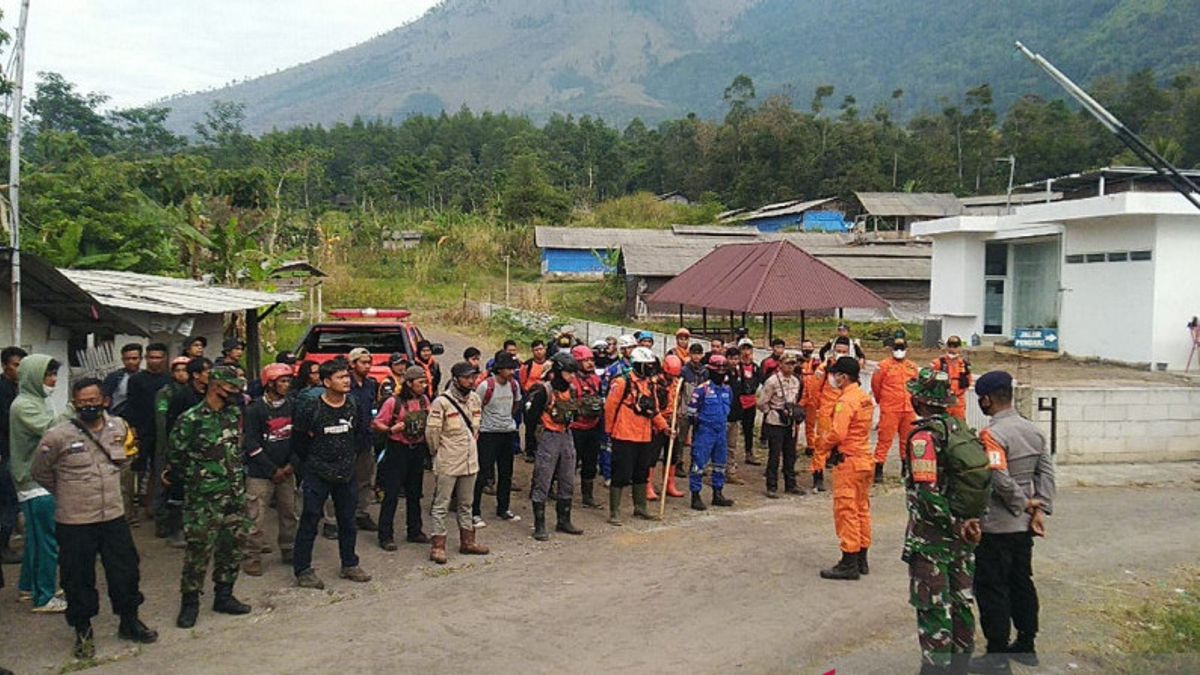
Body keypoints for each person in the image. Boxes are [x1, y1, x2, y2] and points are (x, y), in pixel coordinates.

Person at [31, 378, 158, 658]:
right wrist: (68, 492)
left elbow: (125, 460)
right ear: (75, 404)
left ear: (105, 401)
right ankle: (83, 631)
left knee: (125, 572)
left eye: (93, 401)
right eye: (82, 402)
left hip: (113, 515)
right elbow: (39, 472)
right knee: (77, 579)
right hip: (75, 520)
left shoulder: (118, 427)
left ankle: (129, 621)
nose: (89, 406)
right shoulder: (57, 436)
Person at [971, 371, 1056, 672]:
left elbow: (998, 477)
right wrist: (1038, 510)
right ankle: (1026, 643)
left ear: (987, 399)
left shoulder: (991, 435)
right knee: (1022, 583)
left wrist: (1022, 504)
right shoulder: (1033, 430)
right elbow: (1045, 473)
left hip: (997, 526)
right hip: (1023, 529)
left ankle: (996, 657)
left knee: (992, 588)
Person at [903, 369, 982, 674]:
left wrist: (951, 522)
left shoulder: (923, 438)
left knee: (934, 606)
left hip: (933, 540)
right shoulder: (960, 429)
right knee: (962, 602)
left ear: (918, 400)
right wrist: (967, 522)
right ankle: (961, 664)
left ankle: (936, 668)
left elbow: (927, 493)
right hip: (965, 537)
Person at [164, 366, 253, 628]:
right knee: (198, 551)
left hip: (234, 493)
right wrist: (197, 478)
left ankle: (224, 595)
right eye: (232, 389)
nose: (236, 394)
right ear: (216, 386)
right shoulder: (190, 419)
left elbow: (237, 448)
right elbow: (176, 458)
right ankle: (190, 602)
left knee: (232, 546)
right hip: (204, 498)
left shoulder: (233, 413)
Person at [291, 360, 372, 589]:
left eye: (347, 376)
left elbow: (356, 434)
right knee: (309, 520)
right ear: (327, 382)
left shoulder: (353, 404)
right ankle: (303, 569)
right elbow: (299, 440)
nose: (346, 380)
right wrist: (314, 462)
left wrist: (346, 460)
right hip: (317, 472)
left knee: (347, 521)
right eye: (340, 377)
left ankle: (349, 564)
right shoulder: (311, 408)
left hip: (346, 473)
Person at [9, 354, 66, 612]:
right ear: (33, 377)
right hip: (35, 481)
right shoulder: (24, 406)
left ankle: (28, 587)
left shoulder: (38, 401)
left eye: (54, 375)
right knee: (47, 540)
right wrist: (75, 408)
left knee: (35, 539)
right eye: (48, 375)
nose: (52, 380)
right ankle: (44, 597)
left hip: (38, 478)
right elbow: (51, 430)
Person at [425, 362, 489, 564]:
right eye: (467, 377)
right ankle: (438, 545)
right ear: (456, 379)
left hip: (470, 460)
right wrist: (438, 453)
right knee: (441, 505)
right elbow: (432, 434)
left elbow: (477, 427)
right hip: (449, 460)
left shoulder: (475, 399)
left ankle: (468, 542)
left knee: (466, 504)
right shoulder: (441, 402)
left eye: (474, 377)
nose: (472, 381)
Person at [818, 357, 876, 581]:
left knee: (846, 510)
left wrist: (821, 444)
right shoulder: (864, 398)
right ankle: (861, 558)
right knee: (861, 509)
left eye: (836, 374)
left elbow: (838, 433)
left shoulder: (846, 401)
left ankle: (848, 561)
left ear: (843, 376)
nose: (833, 378)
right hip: (863, 459)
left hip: (849, 461)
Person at [240, 364, 299, 576]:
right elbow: (251, 443)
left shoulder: (293, 405)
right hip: (260, 473)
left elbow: (299, 439)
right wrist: (272, 469)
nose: (286, 385)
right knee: (255, 517)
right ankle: (252, 556)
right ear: (270, 384)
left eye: (288, 381)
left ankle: (289, 549)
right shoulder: (255, 409)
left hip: (287, 470)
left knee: (289, 513)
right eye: (282, 381)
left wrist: (291, 465)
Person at [603, 347, 670, 525]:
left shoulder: (650, 385)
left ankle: (640, 507)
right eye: (646, 365)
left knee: (642, 472)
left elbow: (653, 410)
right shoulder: (621, 382)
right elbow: (610, 407)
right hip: (624, 434)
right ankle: (614, 511)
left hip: (644, 435)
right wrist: (609, 431)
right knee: (621, 474)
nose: (649, 369)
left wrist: (664, 427)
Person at [524, 353, 584, 540]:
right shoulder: (544, 391)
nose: (572, 376)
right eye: (568, 372)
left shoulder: (572, 390)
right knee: (543, 479)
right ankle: (539, 524)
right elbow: (531, 418)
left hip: (566, 435)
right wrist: (532, 445)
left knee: (567, 478)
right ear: (558, 371)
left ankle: (564, 520)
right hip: (548, 437)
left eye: (574, 373)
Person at [372, 365, 432, 550]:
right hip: (397, 450)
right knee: (391, 494)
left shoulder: (424, 401)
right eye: (420, 382)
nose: (424, 385)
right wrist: (391, 429)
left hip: (417, 450)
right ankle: (385, 535)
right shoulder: (393, 402)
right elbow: (377, 423)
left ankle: (414, 530)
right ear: (409, 383)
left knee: (415, 493)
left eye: (425, 381)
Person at [123, 343, 171, 523]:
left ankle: (152, 506)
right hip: (141, 431)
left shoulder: (168, 380)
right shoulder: (136, 380)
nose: (155, 361)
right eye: (151, 357)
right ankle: (130, 510)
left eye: (158, 357)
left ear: (164, 358)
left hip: (161, 432)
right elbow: (131, 405)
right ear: (146, 359)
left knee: (158, 469)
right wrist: (133, 429)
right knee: (135, 469)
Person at [473, 353, 521, 524]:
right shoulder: (486, 386)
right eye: (509, 368)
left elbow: (516, 404)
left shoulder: (514, 385)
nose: (512, 372)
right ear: (499, 369)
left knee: (506, 473)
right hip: (488, 434)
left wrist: (506, 420)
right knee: (482, 473)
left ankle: (503, 508)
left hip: (507, 433)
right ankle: (474, 511)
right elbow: (475, 408)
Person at [685, 354, 735, 510]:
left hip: (721, 431)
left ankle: (718, 493)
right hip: (705, 432)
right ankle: (695, 495)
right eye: (717, 369)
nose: (720, 372)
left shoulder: (727, 389)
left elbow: (729, 408)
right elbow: (691, 413)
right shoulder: (702, 390)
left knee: (720, 463)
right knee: (699, 464)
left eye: (723, 369)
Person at [872, 337, 920, 483]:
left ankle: (905, 468)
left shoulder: (912, 367)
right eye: (896, 348)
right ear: (891, 349)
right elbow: (876, 386)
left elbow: (916, 387)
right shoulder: (883, 366)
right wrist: (884, 402)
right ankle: (878, 468)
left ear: (906, 349)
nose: (899, 351)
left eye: (902, 348)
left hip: (908, 409)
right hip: (890, 408)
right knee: (884, 439)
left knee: (908, 440)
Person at [757, 351, 805, 498]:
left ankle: (791, 484)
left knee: (790, 454)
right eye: (787, 364)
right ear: (780, 364)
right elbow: (761, 402)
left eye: (793, 364)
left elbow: (796, 398)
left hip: (789, 422)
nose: (790, 367)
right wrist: (771, 412)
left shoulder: (796, 381)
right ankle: (771, 486)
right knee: (774, 455)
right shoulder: (772, 381)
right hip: (775, 421)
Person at [808, 338, 852, 493]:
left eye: (844, 351)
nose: (840, 354)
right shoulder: (824, 367)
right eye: (838, 350)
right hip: (827, 411)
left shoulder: (850, 368)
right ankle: (817, 476)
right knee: (822, 443)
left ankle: (843, 475)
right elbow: (814, 390)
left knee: (845, 443)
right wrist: (820, 407)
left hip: (844, 411)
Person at [345, 347, 379, 532]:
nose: (367, 366)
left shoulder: (370, 384)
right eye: (363, 362)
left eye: (369, 362)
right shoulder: (343, 383)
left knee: (365, 479)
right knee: (341, 479)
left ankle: (361, 513)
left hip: (365, 439)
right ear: (352, 364)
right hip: (345, 440)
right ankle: (333, 519)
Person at [569, 346, 605, 509]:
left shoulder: (596, 380)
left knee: (590, 462)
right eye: (586, 361)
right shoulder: (570, 381)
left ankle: (587, 495)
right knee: (570, 462)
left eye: (591, 360)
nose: (590, 363)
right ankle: (564, 492)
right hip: (576, 427)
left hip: (593, 426)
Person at [0, 346, 27, 566]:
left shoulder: (18, 388)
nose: (19, 369)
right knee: (8, 502)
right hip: (5, 453)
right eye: (15, 365)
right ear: (5, 365)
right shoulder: (2, 390)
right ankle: (3, 547)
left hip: (15, 451)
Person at [650, 354, 686, 501]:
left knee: (672, 455)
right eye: (670, 375)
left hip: (673, 420)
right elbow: (654, 406)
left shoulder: (678, 383)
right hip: (658, 423)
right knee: (652, 455)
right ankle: (648, 486)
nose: (672, 378)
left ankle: (669, 483)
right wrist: (661, 424)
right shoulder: (655, 383)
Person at [731, 338, 763, 468]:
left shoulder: (755, 367)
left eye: (748, 348)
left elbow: (761, 381)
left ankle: (749, 453)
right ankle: (730, 457)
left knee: (748, 429)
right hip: (737, 401)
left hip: (750, 401)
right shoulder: (736, 367)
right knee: (733, 429)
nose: (746, 352)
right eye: (743, 349)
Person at [519, 340, 550, 463]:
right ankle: (530, 451)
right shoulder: (527, 365)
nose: (539, 352)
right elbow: (522, 381)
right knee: (530, 424)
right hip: (530, 397)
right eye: (536, 350)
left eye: (541, 349)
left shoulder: (550, 364)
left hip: (545, 397)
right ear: (532, 351)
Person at [932, 336, 972, 421]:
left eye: (955, 346)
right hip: (942, 401)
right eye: (950, 346)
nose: (952, 349)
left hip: (958, 401)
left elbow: (968, 381)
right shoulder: (938, 362)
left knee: (959, 427)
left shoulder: (964, 364)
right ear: (947, 347)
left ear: (959, 348)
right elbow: (929, 381)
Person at [103, 344, 144, 417]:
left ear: (141, 359)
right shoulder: (114, 377)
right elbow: (105, 399)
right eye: (127, 359)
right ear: (122, 359)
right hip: (117, 417)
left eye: (134, 358)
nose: (130, 362)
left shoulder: (146, 377)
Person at [798, 339, 822, 460]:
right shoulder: (797, 362)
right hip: (800, 397)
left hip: (813, 397)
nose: (807, 349)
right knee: (795, 423)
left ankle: (811, 446)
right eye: (805, 347)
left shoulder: (817, 363)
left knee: (811, 424)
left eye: (809, 347)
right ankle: (792, 444)